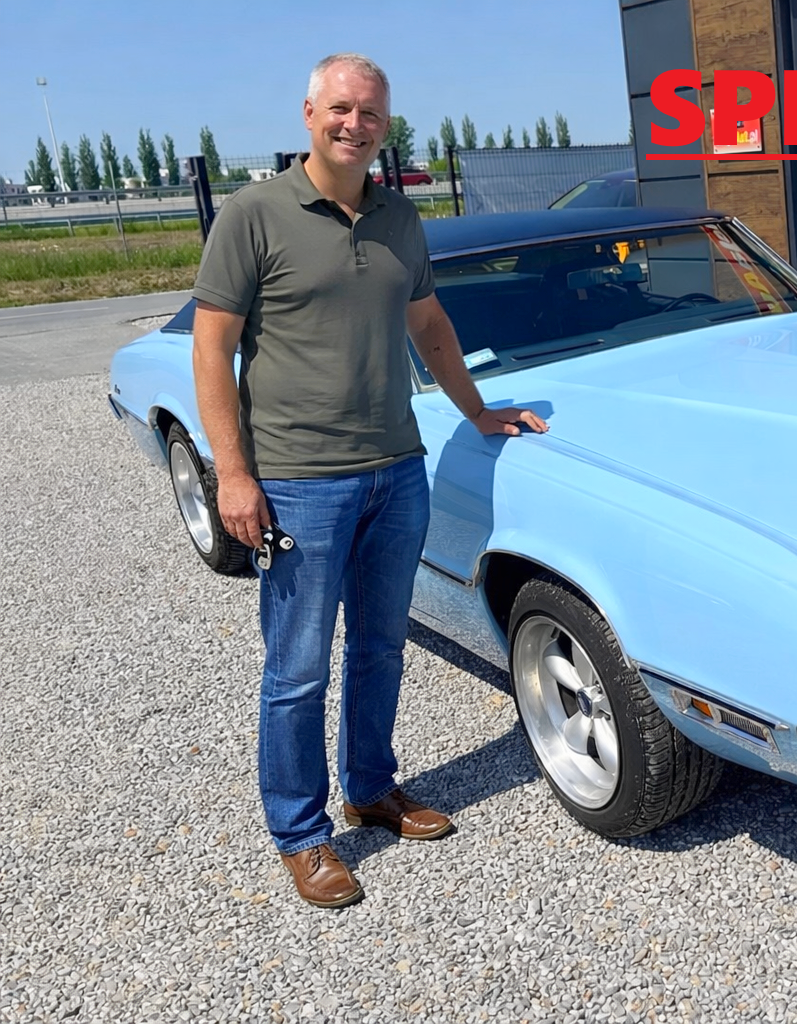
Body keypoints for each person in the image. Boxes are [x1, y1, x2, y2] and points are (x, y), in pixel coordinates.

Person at [190, 52, 547, 909]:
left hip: (395, 471)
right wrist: (233, 474)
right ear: (310, 113)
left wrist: (477, 410)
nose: (356, 125)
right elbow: (211, 348)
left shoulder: (398, 216)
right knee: (298, 668)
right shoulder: (253, 214)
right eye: (342, 109)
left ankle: (371, 788)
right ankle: (301, 833)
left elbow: (429, 322)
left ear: (386, 126)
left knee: (381, 647)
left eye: (372, 114)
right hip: (300, 482)